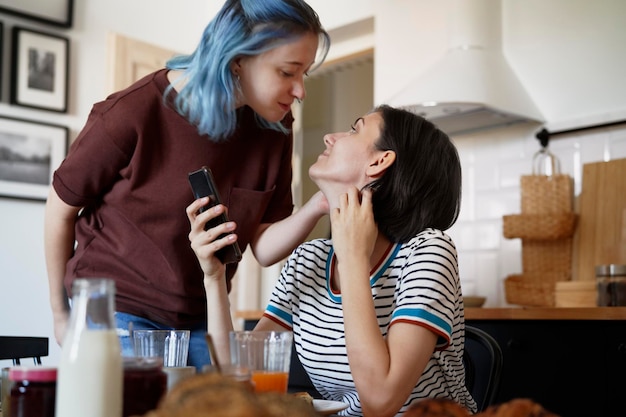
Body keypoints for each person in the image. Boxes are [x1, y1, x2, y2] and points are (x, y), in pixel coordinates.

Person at [44, 0, 330, 370]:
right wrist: (60, 314)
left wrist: (320, 205)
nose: (300, 91)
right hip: (118, 314)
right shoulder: (133, 112)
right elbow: (60, 208)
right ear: (237, 59)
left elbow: (262, 245)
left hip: (202, 321)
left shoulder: (274, 128)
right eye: (288, 72)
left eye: (304, 73)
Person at [189, 105, 477, 416]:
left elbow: (381, 402)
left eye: (355, 129)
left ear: (380, 161)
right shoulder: (308, 260)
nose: (329, 137)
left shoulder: (427, 251)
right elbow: (237, 375)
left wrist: (353, 257)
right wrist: (214, 277)